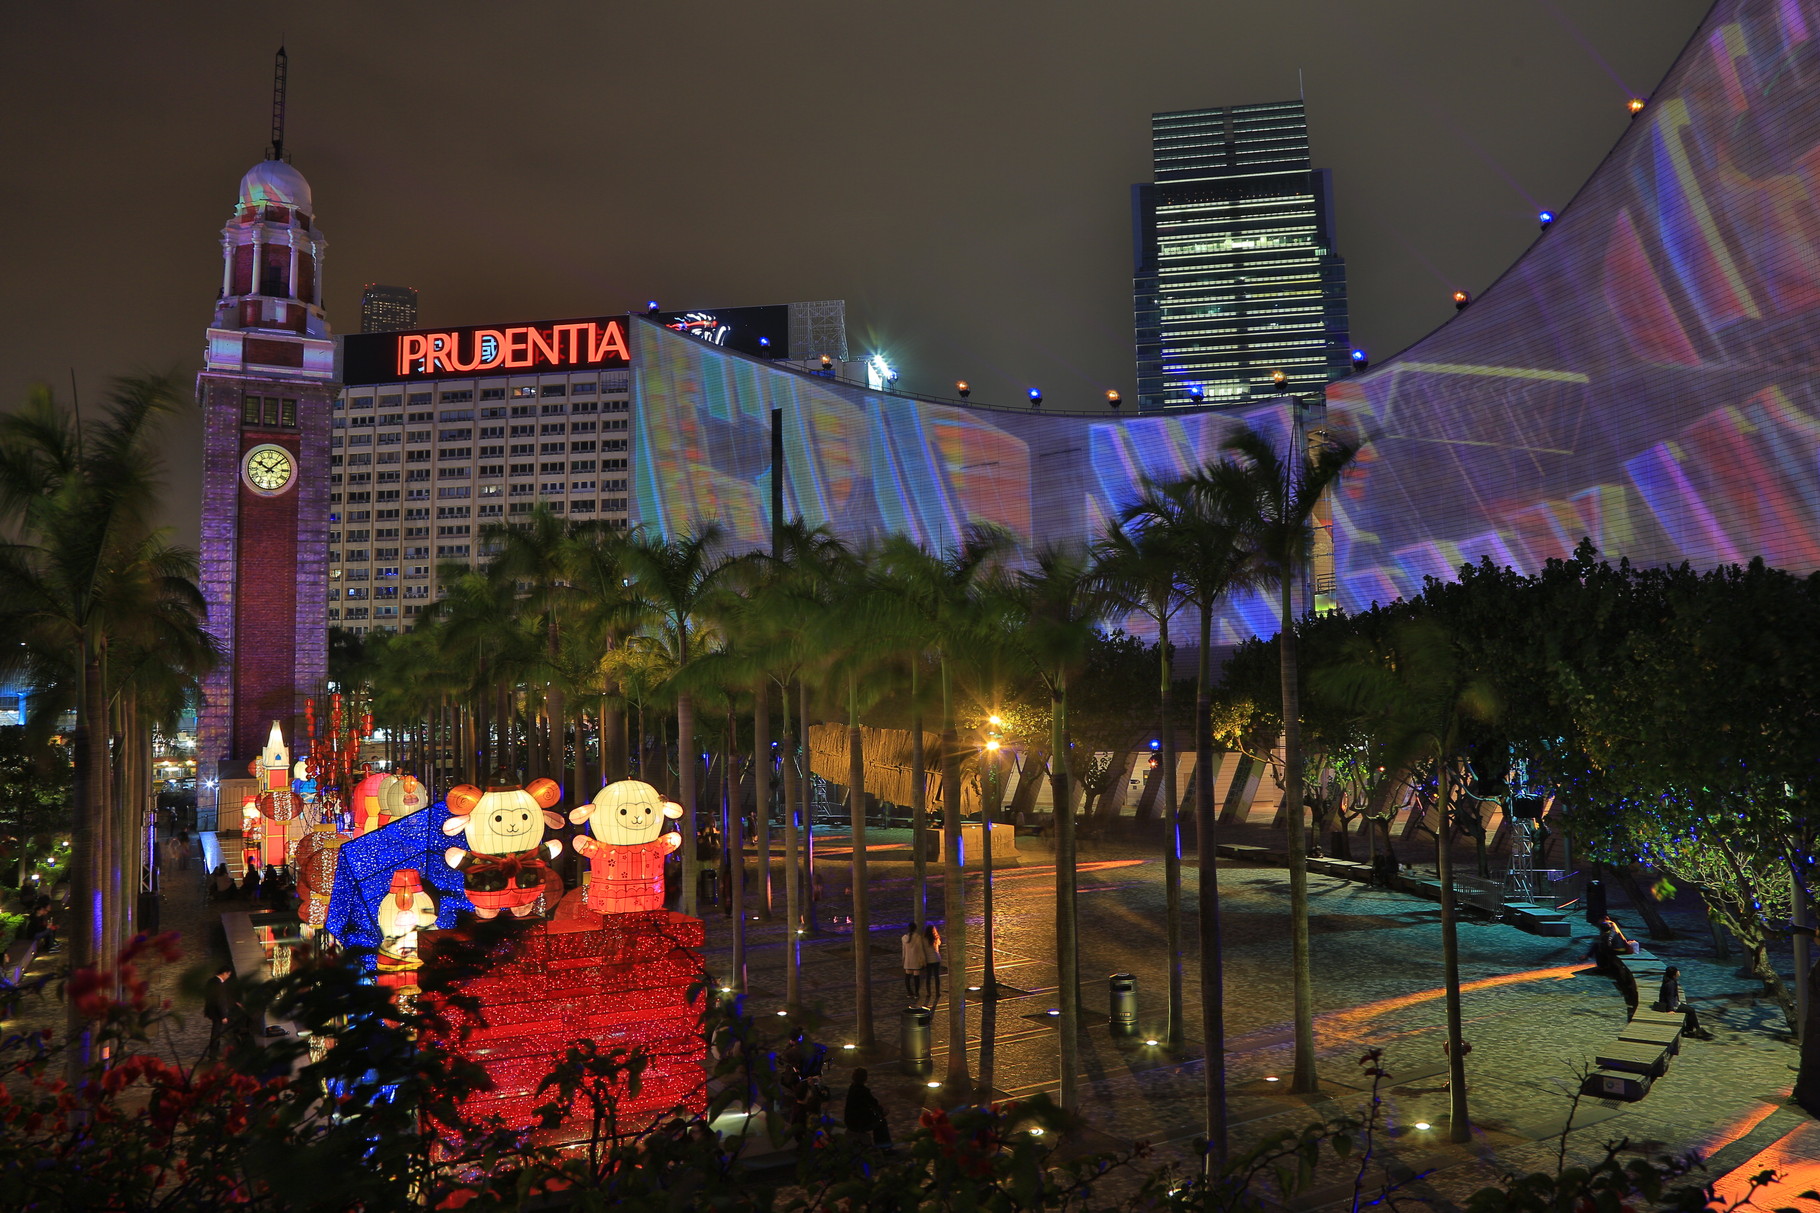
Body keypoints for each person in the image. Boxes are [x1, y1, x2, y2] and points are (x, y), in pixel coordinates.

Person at [1656, 966, 1713, 1038]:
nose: (1679, 972)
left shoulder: (1670, 980)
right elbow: (1669, 997)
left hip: (1674, 1002)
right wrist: (1670, 1009)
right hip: (1671, 1005)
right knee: (1691, 1010)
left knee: (1689, 1009)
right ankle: (1697, 1030)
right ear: (1674, 974)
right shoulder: (1670, 983)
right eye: (1677, 971)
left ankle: (1690, 1029)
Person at [843, 1067, 892, 1147]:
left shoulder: (852, 1088)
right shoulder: (863, 1091)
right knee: (881, 1122)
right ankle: (884, 1146)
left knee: (879, 1119)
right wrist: (882, 1111)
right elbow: (873, 1103)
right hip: (859, 1123)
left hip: (849, 1121)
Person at [202, 966, 239, 1061]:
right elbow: (220, 1001)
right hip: (217, 1013)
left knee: (216, 1032)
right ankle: (213, 1054)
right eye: (228, 975)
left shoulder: (211, 981)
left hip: (212, 1011)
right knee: (216, 1033)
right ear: (224, 973)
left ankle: (214, 1053)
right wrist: (223, 1016)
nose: (228, 977)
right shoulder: (218, 985)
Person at [901, 926, 926, 1001]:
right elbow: (920, 950)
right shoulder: (918, 937)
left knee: (907, 977)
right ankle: (916, 993)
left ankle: (909, 992)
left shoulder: (904, 938)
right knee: (916, 977)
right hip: (916, 960)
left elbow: (903, 950)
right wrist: (923, 960)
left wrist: (903, 959)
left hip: (908, 960)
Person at [920, 924, 943, 1005]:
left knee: (928, 977)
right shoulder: (935, 939)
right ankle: (937, 992)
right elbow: (939, 944)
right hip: (936, 959)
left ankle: (929, 992)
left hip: (928, 960)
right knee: (937, 977)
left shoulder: (923, 939)